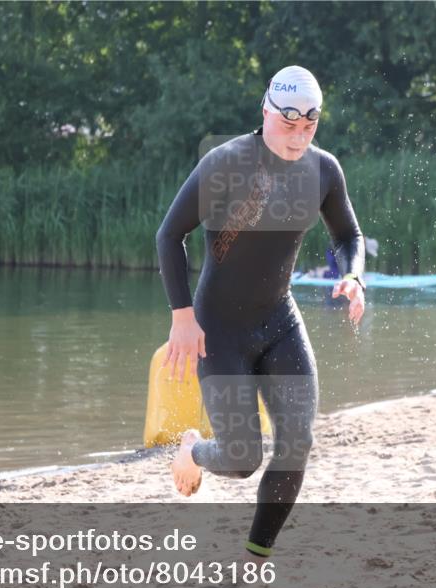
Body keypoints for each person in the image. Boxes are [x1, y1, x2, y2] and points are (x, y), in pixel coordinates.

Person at [154, 65, 366, 560]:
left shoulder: (323, 170)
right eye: (287, 125)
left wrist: (352, 275)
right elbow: (169, 234)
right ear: (266, 111)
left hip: (279, 323)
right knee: (242, 456)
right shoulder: (226, 163)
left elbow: (348, 236)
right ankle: (191, 450)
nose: (297, 138)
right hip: (219, 330)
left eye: (308, 127)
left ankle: (256, 556)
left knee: (298, 441)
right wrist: (182, 317)